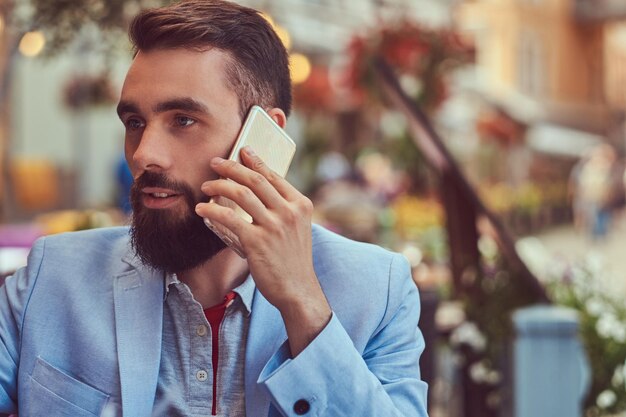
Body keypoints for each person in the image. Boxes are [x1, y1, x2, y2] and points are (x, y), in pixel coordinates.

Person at [0, 1, 429, 416]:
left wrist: (305, 308)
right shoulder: (49, 280)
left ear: (262, 138)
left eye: (183, 120)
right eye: (134, 123)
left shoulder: (378, 292)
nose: (144, 154)